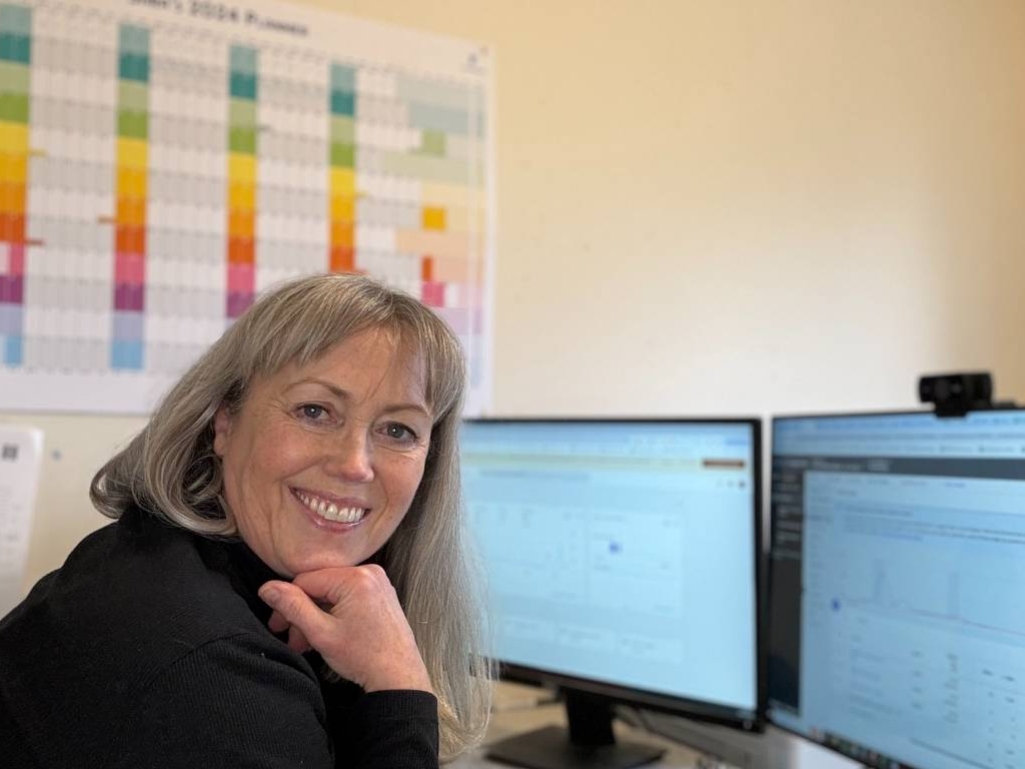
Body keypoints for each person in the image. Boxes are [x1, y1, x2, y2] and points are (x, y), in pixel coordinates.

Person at [0, 274, 492, 768]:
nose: (355, 464)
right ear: (224, 422)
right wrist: (399, 684)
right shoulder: (209, 669)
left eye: (397, 430)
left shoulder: (149, 551)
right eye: (315, 410)